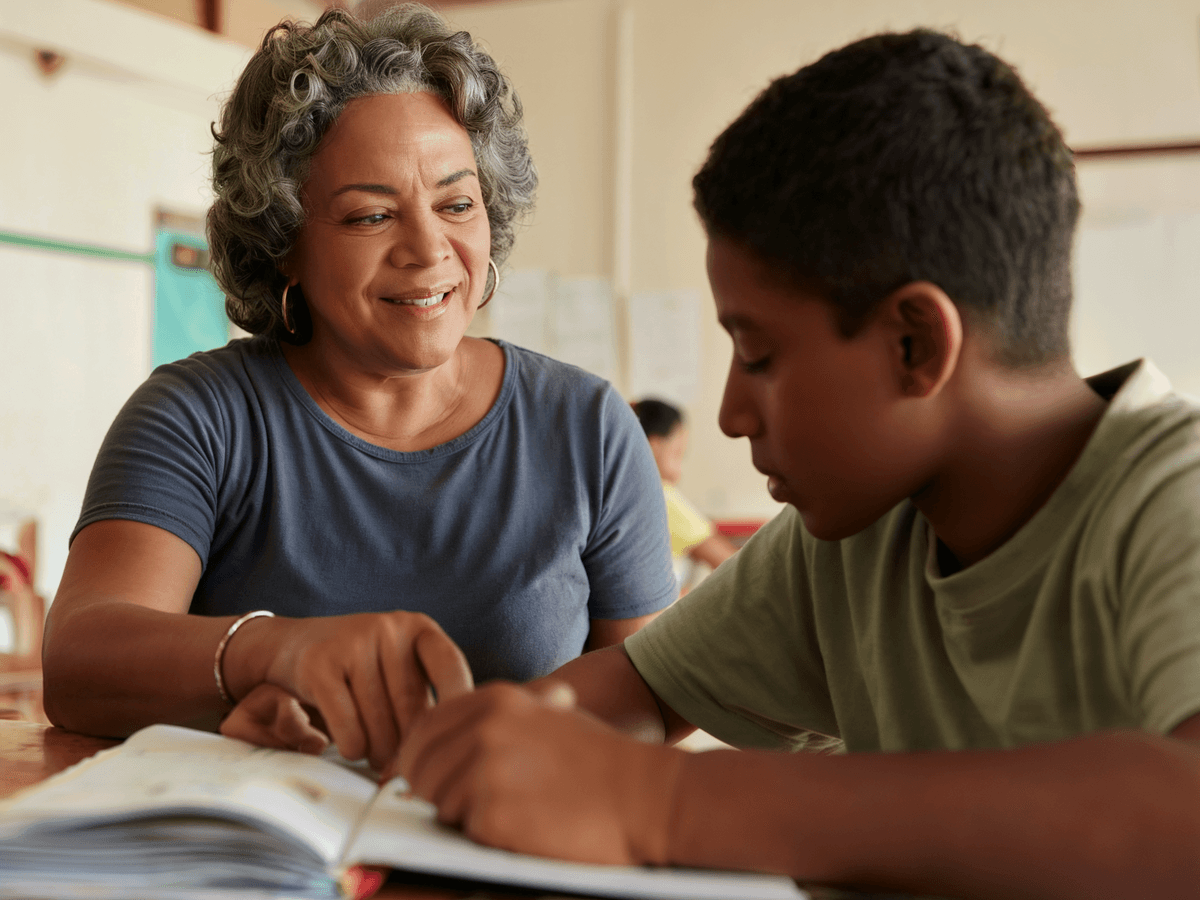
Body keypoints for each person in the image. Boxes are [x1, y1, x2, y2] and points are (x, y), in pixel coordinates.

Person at [394, 29, 1200, 899]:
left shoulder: (1171, 500)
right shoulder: (852, 537)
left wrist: (663, 804)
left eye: (760, 355)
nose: (735, 413)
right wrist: (461, 742)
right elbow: (642, 690)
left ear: (914, 343)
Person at [41, 4, 675, 771]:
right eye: (371, 215)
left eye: (456, 203)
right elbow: (79, 658)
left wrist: (487, 742)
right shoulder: (197, 415)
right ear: (283, 246)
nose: (428, 249)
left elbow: (657, 699)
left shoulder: (586, 425)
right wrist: (272, 651)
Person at [632, 398, 737, 590]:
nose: (679, 471)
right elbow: (732, 565)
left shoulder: (617, 492)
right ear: (654, 446)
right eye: (677, 453)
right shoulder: (661, 496)